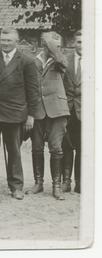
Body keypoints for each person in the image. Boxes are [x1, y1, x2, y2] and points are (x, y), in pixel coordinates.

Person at [0, 27, 40, 200]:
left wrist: (31, 115)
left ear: (16, 42)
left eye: (9, 41)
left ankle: (16, 186)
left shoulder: (26, 61)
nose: (5, 44)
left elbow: (33, 91)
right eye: (3, 41)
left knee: (14, 151)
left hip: (14, 113)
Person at [28, 31, 70, 200]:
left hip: (58, 110)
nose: (57, 49)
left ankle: (56, 186)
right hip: (38, 110)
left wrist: (52, 45)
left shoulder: (60, 61)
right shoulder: (33, 61)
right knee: (37, 147)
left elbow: (61, 60)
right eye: (53, 45)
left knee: (55, 147)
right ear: (43, 45)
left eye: (59, 46)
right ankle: (38, 183)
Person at [62, 30, 82, 194]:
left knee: (83, 147)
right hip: (68, 110)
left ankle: (80, 183)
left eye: (85, 42)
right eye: (78, 42)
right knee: (66, 146)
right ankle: (66, 181)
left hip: (85, 110)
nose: (81, 45)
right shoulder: (66, 62)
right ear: (73, 43)